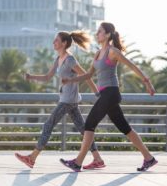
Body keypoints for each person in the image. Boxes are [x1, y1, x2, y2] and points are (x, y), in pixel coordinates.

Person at [60, 22, 158, 172]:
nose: (97, 34)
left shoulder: (113, 52)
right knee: (125, 128)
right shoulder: (98, 53)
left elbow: (132, 66)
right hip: (107, 95)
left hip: (111, 93)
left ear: (107, 35)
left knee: (89, 124)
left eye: (99, 32)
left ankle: (78, 162)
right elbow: (89, 75)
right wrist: (70, 80)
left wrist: (147, 82)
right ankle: (149, 158)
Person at [15, 30, 105, 170]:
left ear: (64, 43)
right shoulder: (59, 59)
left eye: (56, 40)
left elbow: (86, 75)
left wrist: (97, 94)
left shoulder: (70, 60)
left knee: (48, 125)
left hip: (68, 100)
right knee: (83, 129)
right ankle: (97, 158)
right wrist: (31, 77)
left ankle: (32, 158)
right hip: (68, 99)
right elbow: (47, 77)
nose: (53, 42)